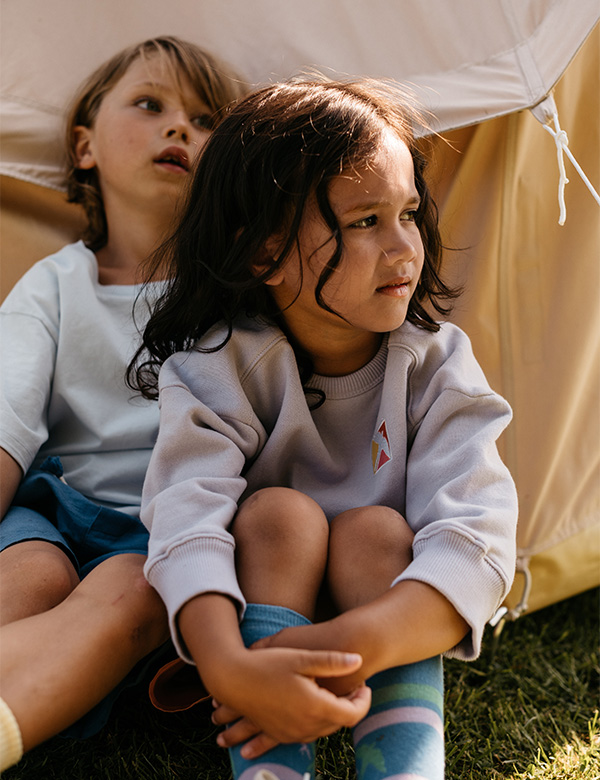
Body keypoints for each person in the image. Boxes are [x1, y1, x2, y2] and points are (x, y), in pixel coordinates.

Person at [130, 77, 519, 780]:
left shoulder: (435, 365)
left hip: (389, 607)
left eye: (408, 213)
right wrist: (230, 666)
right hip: (265, 602)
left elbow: (476, 538)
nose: (404, 249)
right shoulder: (219, 369)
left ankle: (404, 769)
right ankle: (273, 765)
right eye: (366, 221)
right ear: (266, 254)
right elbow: (185, 521)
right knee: (279, 514)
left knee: (376, 530)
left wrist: (332, 649)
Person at [0, 36, 245, 771]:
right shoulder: (55, 284)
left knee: (129, 592)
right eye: (151, 105)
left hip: (163, 528)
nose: (181, 129)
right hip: (51, 503)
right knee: (32, 576)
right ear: (83, 146)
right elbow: (7, 425)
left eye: (206, 122)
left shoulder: (234, 294)